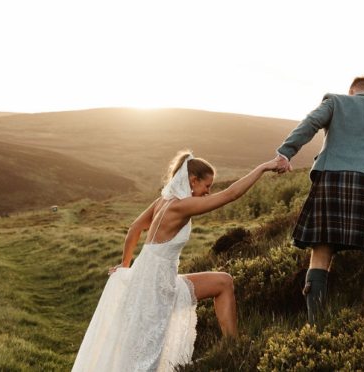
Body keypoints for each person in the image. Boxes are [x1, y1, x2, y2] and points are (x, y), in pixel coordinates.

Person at [71, 151, 282, 372]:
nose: (209, 191)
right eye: (207, 186)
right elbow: (230, 195)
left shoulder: (163, 201)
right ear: (192, 181)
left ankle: (234, 349)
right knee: (146, 356)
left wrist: (126, 266)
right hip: (157, 288)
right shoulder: (182, 206)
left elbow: (134, 228)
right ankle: (235, 350)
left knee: (223, 282)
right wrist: (263, 167)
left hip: (151, 279)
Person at [274, 76, 364, 323]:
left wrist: (285, 153)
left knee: (321, 251)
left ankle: (316, 324)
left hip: (330, 184)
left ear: (351, 91)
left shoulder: (335, 101)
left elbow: (310, 123)